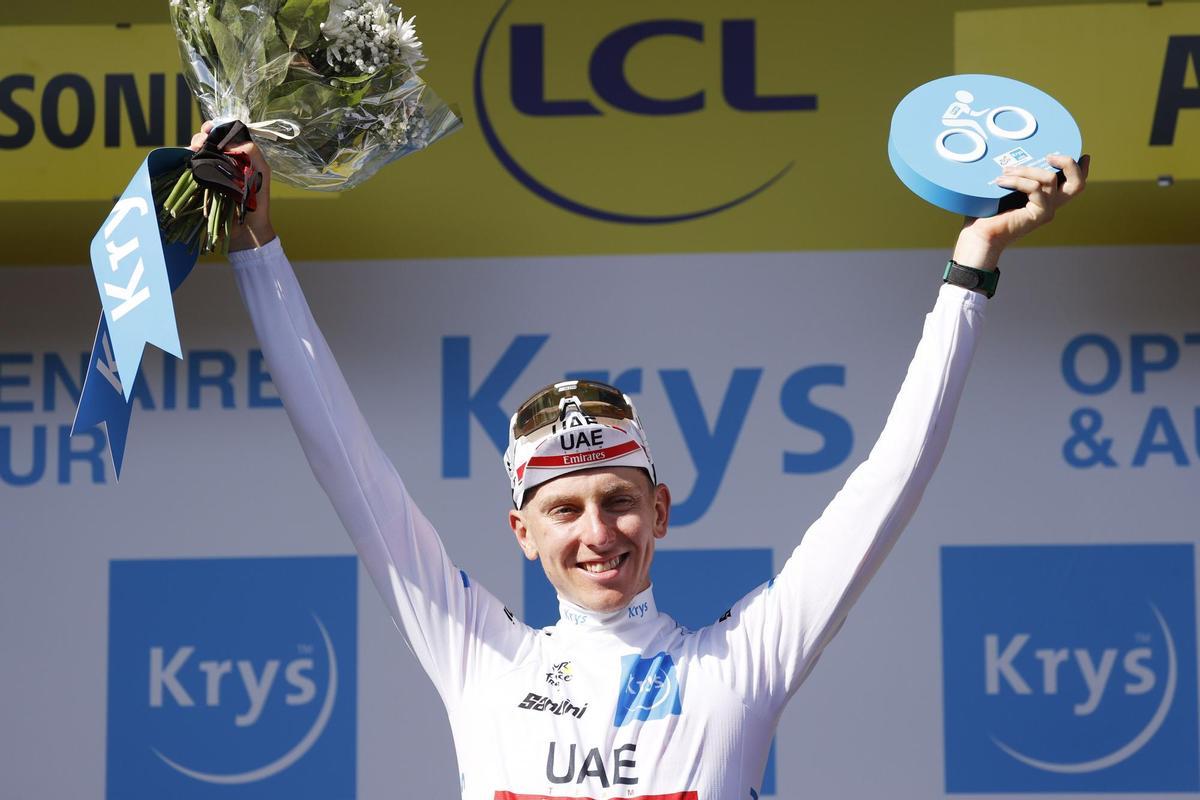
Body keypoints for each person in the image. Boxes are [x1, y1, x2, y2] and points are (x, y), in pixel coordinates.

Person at [196, 122, 1088, 798]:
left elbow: (893, 477)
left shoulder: (741, 663)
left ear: (660, 510)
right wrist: (254, 246)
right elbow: (345, 459)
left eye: (619, 501)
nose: (598, 533)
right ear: (522, 530)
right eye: (565, 508)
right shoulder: (481, 659)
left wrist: (974, 263)